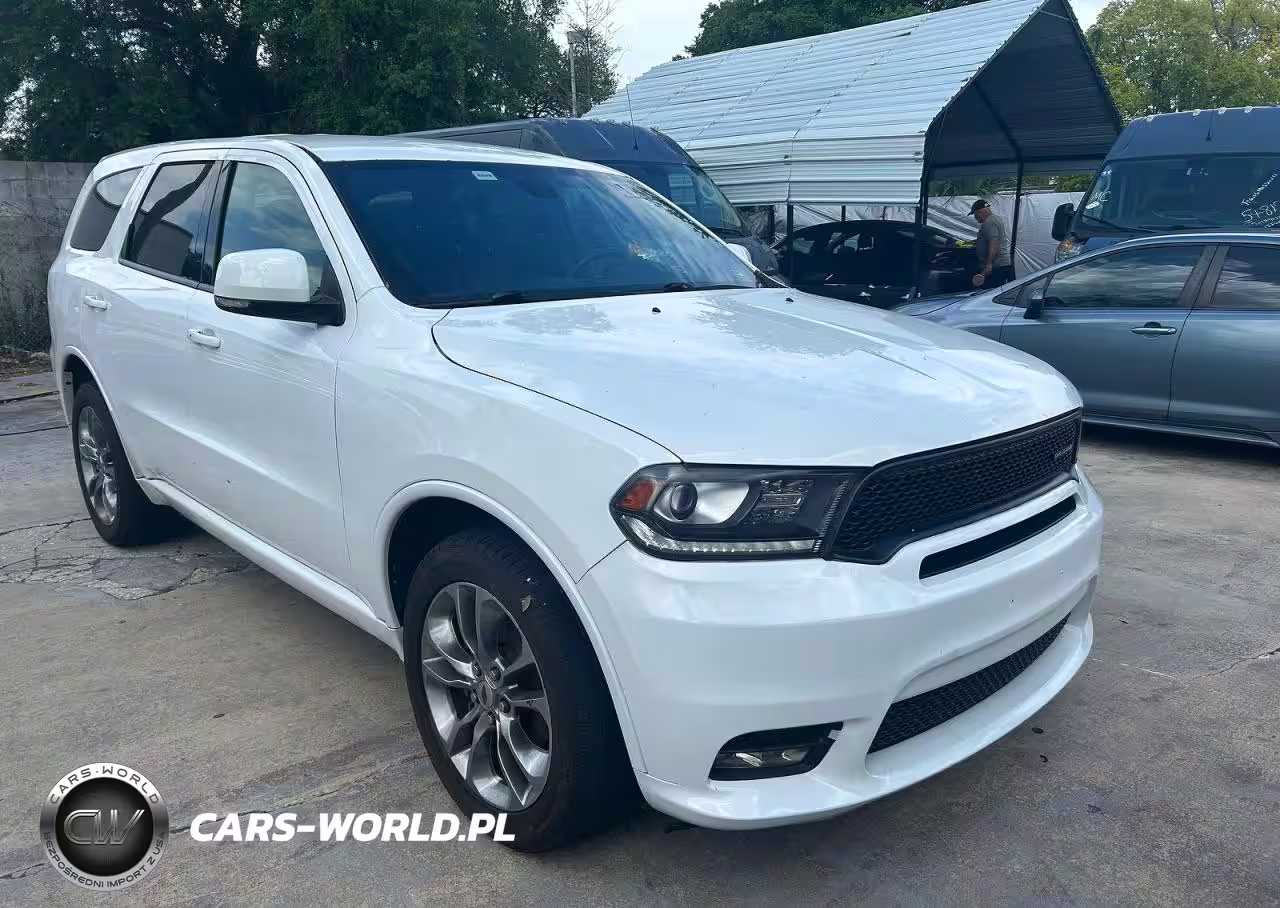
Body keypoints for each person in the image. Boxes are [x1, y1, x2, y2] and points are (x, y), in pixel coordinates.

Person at [970, 199, 1014, 288]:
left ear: (980, 211)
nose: (975, 218)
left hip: (997, 264)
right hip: (999, 264)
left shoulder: (989, 222)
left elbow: (993, 243)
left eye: (975, 215)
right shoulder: (994, 219)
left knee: (992, 291)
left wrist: (989, 264)